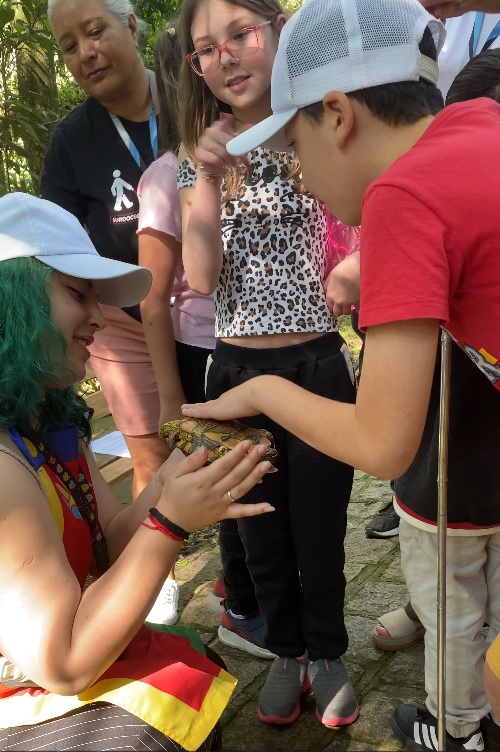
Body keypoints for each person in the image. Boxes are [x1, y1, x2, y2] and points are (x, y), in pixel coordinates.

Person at [180, 0, 500, 743]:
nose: (306, 178)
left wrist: (257, 391)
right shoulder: (478, 125)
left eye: (296, 142)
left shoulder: (401, 196)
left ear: (337, 115)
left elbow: (384, 443)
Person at [0, 192, 275, 751]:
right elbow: (65, 664)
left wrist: (181, 474)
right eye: (79, 295)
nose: (99, 318)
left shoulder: (46, 424)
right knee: (144, 734)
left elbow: (106, 545)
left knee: (190, 660)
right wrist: (171, 523)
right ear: (12, 302)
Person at [176, 0, 358, 730]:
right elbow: (199, 274)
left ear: (276, 30)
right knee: (259, 530)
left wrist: (353, 273)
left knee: (321, 526)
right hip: (238, 380)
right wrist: (206, 183)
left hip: (314, 365)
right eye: (204, 50)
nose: (224, 57)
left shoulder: (323, 126)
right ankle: (285, 650)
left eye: (239, 35)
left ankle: (329, 651)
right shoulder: (204, 155)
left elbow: (378, 216)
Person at [40, 0, 180, 625]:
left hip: (207, 309)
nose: (85, 53)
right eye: (68, 45)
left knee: (223, 438)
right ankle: (161, 579)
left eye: (94, 30)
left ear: (131, 25)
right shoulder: (72, 142)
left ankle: (246, 581)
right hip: (124, 322)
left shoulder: (192, 97)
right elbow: (57, 247)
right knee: (149, 448)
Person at [136, 27, 217, 625]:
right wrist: (170, 397)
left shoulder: (261, 151)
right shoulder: (168, 176)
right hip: (200, 356)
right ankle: (243, 600)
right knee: (225, 484)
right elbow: (153, 297)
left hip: (253, 351)